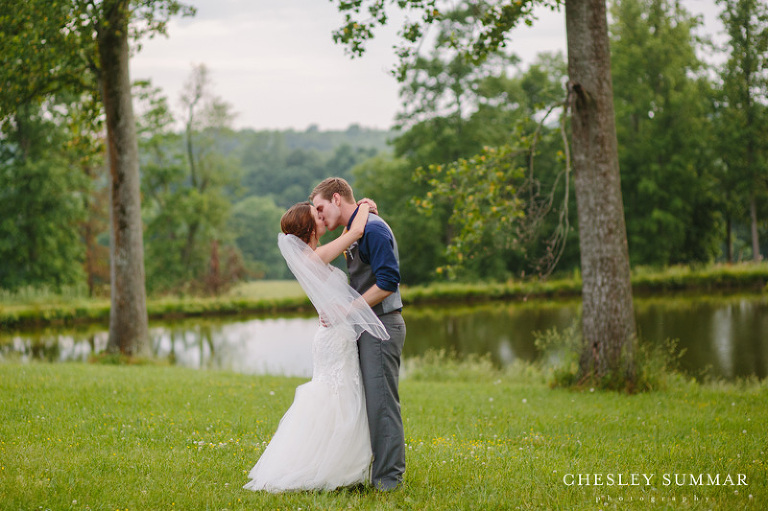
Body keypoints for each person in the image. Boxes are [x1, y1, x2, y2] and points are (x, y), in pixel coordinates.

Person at [243, 201, 387, 493]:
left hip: (335, 334)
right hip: (334, 337)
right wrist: (363, 205)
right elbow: (356, 231)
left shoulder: (313, 255)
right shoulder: (315, 257)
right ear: (309, 228)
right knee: (336, 396)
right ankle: (328, 467)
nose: (322, 216)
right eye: (316, 215)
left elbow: (348, 235)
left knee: (341, 394)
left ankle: (343, 466)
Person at [310, 177, 406, 491]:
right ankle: (371, 473)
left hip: (382, 326)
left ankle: (389, 480)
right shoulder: (356, 229)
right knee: (369, 404)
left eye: (321, 208)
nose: (319, 216)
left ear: (337, 199)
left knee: (382, 405)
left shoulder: (373, 229)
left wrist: (347, 311)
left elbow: (388, 282)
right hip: (367, 326)